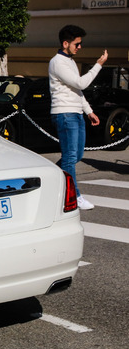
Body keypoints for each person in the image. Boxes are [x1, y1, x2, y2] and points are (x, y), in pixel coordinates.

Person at [48, 25, 107, 210]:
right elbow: (81, 83)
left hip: (76, 113)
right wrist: (98, 65)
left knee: (76, 155)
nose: (79, 47)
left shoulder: (70, 61)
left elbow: (77, 90)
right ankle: (75, 196)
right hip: (64, 114)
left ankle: (50, 179)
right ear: (66, 43)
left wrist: (88, 111)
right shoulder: (57, 62)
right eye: (77, 44)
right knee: (70, 156)